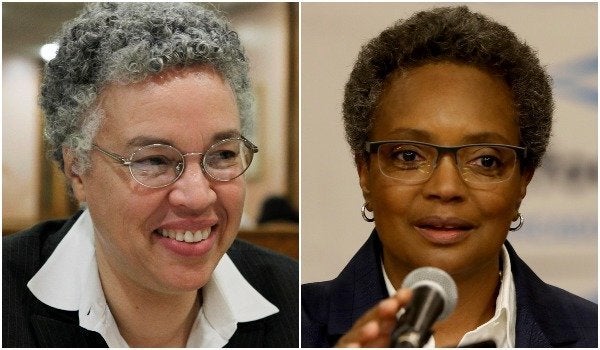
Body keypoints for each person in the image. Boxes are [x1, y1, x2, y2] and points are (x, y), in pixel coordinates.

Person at [3, 3, 298, 347]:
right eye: (155, 160)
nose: (198, 196)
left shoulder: (293, 299)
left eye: (222, 155)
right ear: (78, 170)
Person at [302, 5, 597, 348]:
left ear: (523, 180)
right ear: (365, 173)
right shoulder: (296, 329)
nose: (446, 188)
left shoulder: (590, 334)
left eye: (485, 161)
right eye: (409, 156)